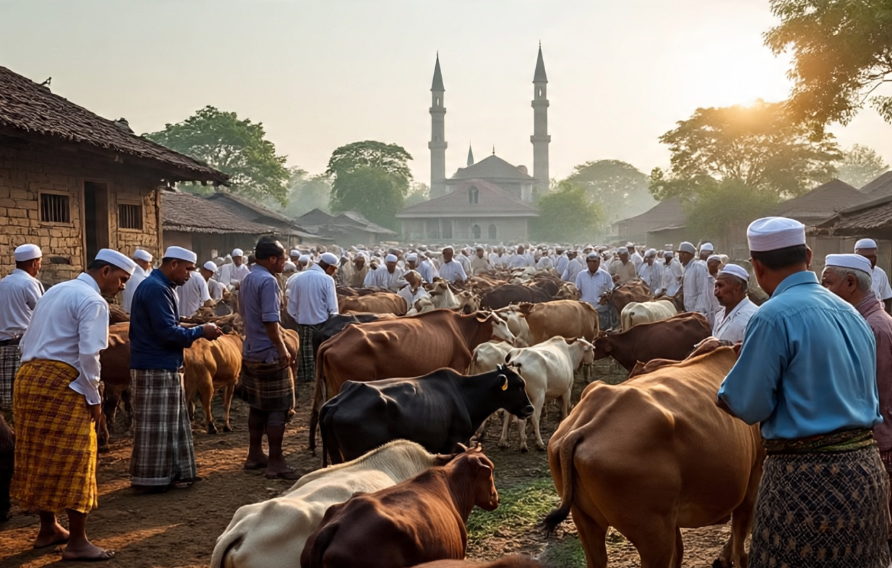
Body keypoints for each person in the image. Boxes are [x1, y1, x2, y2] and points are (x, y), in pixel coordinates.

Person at [717, 218, 889, 568]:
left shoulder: (770, 317)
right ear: (809, 256)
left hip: (803, 482)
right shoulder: (853, 314)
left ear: (757, 267)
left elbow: (748, 404)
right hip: (866, 477)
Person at [12, 249, 134, 561]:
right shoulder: (93, 301)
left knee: (39, 454)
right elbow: (90, 355)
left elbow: (28, 340)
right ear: (105, 271)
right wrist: (94, 397)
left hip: (28, 378)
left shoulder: (56, 291)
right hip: (63, 382)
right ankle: (78, 541)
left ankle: (48, 527)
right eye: (121, 279)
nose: (122, 286)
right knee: (78, 457)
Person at [129, 247, 222, 492]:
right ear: (173, 265)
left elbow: (167, 323)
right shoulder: (157, 289)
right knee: (157, 427)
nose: (190, 275)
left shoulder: (161, 287)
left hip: (162, 362)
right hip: (155, 364)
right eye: (188, 269)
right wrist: (201, 332)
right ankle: (152, 480)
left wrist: (193, 324)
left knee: (170, 422)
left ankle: (172, 474)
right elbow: (166, 332)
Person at [822, 253, 892, 542]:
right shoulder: (868, 321)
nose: (823, 292)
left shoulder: (872, 327)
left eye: (827, 284)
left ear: (851, 283)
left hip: (879, 441)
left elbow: (875, 391)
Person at [239, 238, 298, 479]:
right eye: (283, 258)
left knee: (257, 405)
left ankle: (255, 454)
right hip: (269, 353)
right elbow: (271, 321)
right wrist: (282, 348)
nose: (285, 262)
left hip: (251, 349)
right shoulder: (268, 281)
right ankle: (276, 461)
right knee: (278, 408)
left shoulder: (247, 278)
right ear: (272, 259)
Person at [0, 244, 44, 411]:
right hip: (21, 348)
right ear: (34, 263)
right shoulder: (30, 284)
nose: (39, 267)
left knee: (7, 403)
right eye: (39, 263)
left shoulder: (3, 282)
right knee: (23, 400)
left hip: (3, 347)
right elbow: (42, 311)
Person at [288, 251, 339, 385]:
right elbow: (333, 307)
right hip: (322, 323)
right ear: (330, 267)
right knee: (320, 350)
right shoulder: (327, 280)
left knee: (305, 350)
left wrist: (299, 317)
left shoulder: (299, 278)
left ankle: (305, 376)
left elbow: (291, 305)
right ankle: (319, 376)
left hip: (302, 322)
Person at [711, 264, 758, 343]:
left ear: (737, 288)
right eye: (715, 286)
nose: (716, 293)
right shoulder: (719, 315)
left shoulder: (752, 318)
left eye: (720, 286)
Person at [575, 252, 614, 331]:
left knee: (601, 334)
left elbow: (611, 290)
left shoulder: (606, 275)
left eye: (595, 261)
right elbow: (577, 289)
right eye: (590, 261)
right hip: (585, 310)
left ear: (599, 262)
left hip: (601, 310)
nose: (592, 264)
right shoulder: (581, 275)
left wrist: (607, 296)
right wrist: (576, 294)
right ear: (587, 262)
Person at [855, 238, 892, 313]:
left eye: (871, 257)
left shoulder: (880, 273)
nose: (867, 261)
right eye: (864, 257)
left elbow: (887, 299)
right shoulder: (849, 272)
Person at [678, 242, 711, 322]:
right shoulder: (686, 268)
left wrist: (698, 312)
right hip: (689, 309)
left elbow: (702, 291)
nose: (679, 256)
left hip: (698, 311)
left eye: (682, 254)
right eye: (679, 254)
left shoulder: (698, 267)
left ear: (689, 255)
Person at [122, 249, 153, 313]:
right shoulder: (137, 278)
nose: (149, 265)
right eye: (148, 262)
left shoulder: (143, 276)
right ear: (142, 262)